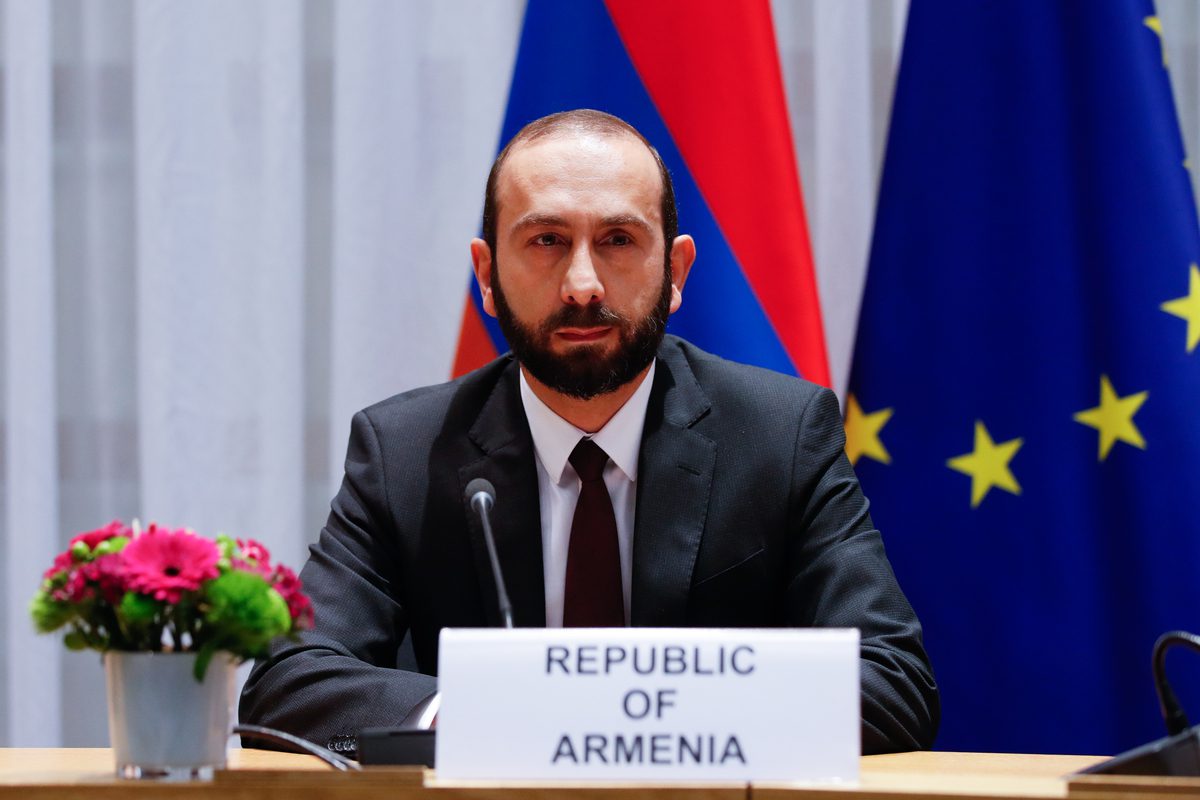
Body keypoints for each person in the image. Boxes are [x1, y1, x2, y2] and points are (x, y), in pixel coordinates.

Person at [240, 109, 939, 754]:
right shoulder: (405, 451)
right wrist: (483, 713)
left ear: (676, 271)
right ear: (486, 275)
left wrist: (634, 718)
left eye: (617, 240)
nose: (582, 284)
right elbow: (286, 684)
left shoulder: (780, 437)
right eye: (546, 240)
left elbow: (893, 685)